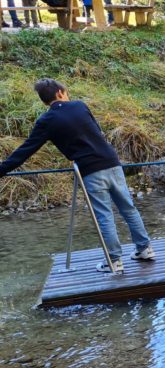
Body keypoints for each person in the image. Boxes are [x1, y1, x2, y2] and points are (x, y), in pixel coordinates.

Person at [0, 79, 155, 274]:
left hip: (90, 170)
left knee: (104, 216)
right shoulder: (80, 106)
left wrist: (2, 170)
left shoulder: (46, 121)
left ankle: (114, 261)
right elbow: (96, 131)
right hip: (112, 162)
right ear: (59, 92)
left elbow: (25, 150)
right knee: (128, 208)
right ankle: (145, 249)